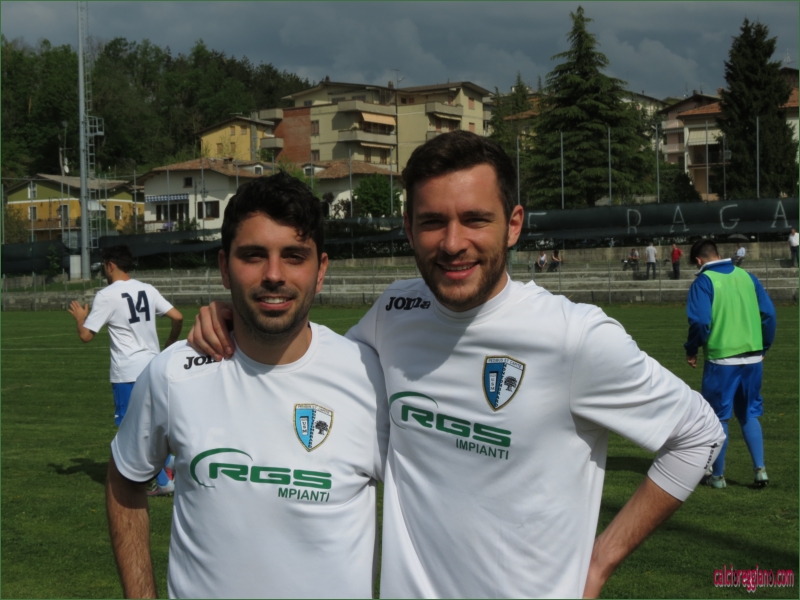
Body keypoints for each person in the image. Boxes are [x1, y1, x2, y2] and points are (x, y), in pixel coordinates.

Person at [188, 131, 725, 598]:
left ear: (513, 224)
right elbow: (313, 368)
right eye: (432, 222)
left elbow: (698, 434)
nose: (452, 243)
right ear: (408, 228)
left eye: (474, 220)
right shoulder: (394, 313)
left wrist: (600, 561)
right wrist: (238, 316)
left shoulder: (574, 337)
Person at [106, 173, 388, 598]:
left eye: (294, 256)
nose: (273, 274)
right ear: (224, 267)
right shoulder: (174, 373)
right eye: (254, 256)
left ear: (321, 270)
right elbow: (124, 479)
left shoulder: (370, 377)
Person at [68, 245, 183, 496]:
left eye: (103, 266)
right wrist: (170, 343)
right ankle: (170, 463)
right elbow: (178, 317)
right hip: (153, 367)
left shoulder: (107, 295)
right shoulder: (147, 289)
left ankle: (162, 482)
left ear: (110, 265)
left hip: (127, 371)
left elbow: (86, 336)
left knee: (131, 428)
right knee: (152, 422)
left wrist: (80, 319)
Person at [684, 239, 776, 490]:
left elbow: (701, 321)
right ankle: (760, 471)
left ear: (698, 261)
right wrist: (764, 346)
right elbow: (769, 314)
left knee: (718, 418)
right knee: (749, 413)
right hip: (753, 357)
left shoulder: (703, 282)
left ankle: (718, 476)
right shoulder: (747, 276)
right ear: (717, 254)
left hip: (722, 358)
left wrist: (692, 348)